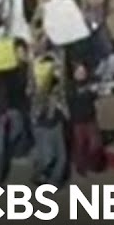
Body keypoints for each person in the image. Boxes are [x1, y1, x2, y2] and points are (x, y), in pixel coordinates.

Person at [29, 58, 69, 186]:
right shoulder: (38, 90)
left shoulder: (60, 89)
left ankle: (55, 181)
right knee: (47, 158)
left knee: (62, 157)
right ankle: (38, 174)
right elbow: (36, 112)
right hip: (43, 127)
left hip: (57, 124)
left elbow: (65, 105)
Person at [66, 62, 106, 176]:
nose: (82, 74)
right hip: (78, 120)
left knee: (95, 143)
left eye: (83, 72)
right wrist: (88, 91)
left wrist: (97, 92)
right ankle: (81, 166)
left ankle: (93, 163)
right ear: (74, 73)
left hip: (90, 117)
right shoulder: (70, 86)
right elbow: (72, 97)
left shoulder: (89, 84)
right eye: (79, 72)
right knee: (80, 145)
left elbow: (94, 97)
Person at [5, 39, 34, 159]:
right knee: (17, 128)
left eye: (23, 51)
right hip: (12, 103)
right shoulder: (9, 68)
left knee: (23, 128)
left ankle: (20, 151)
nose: (21, 54)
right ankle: (7, 147)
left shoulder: (27, 66)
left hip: (24, 103)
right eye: (18, 51)